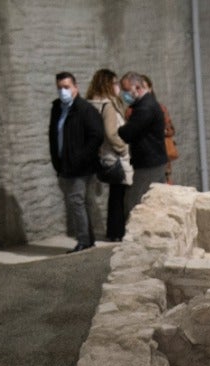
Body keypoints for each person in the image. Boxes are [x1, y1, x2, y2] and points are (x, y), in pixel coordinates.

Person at [49, 71, 103, 253]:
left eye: (66, 87)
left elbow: (96, 136)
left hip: (81, 166)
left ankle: (84, 240)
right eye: (60, 88)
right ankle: (88, 239)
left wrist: (81, 157)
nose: (63, 91)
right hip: (65, 164)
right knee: (80, 203)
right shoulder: (57, 108)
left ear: (75, 87)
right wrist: (57, 161)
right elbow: (54, 135)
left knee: (78, 202)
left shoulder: (85, 109)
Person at [85, 69, 131, 243]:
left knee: (114, 195)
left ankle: (113, 231)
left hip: (100, 154)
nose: (117, 86)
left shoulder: (90, 103)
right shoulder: (108, 105)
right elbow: (111, 133)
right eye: (115, 83)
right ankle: (117, 232)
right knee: (119, 196)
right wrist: (123, 148)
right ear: (108, 84)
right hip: (114, 156)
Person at [117, 72, 167, 214]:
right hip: (153, 160)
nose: (124, 95)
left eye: (126, 91)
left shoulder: (145, 108)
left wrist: (120, 129)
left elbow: (128, 133)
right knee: (156, 201)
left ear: (137, 88)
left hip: (148, 163)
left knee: (135, 202)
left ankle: (137, 235)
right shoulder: (147, 104)